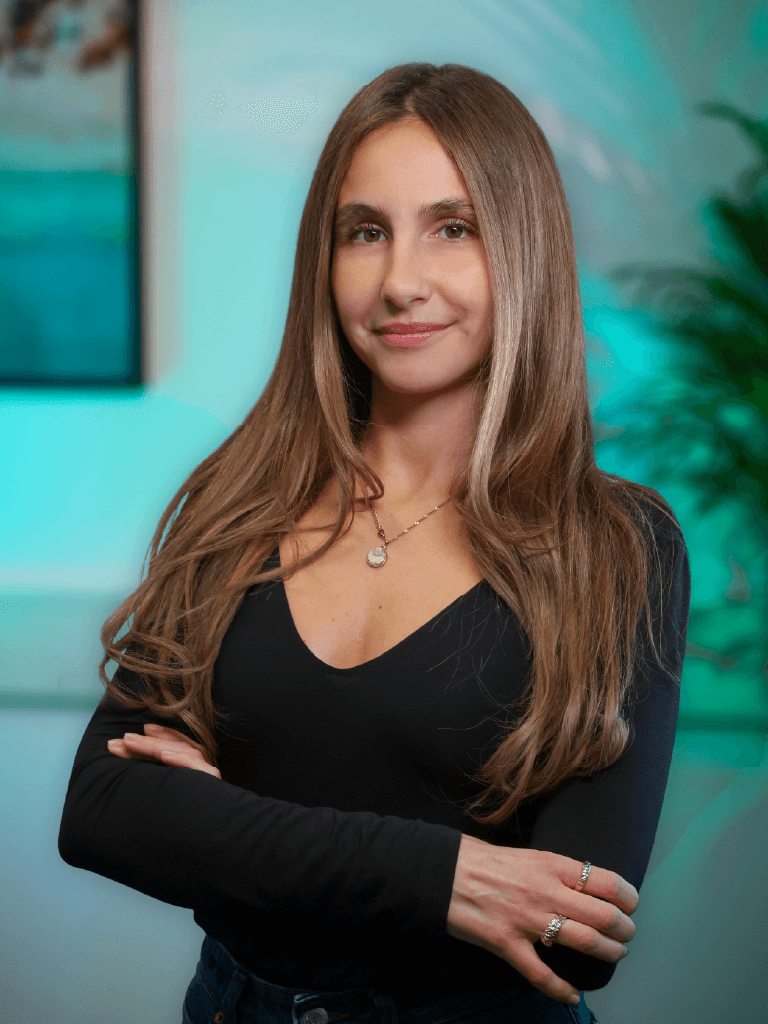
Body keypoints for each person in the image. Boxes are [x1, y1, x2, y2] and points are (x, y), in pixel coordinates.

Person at [58, 62, 691, 1024]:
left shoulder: (619, 547)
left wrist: (219, 823)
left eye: (453, 227)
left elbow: (576, 933)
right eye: (366, 232)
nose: (401, 281)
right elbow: (100, 810)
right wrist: (448, 875)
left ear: (520, 248)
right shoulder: (238, 505)